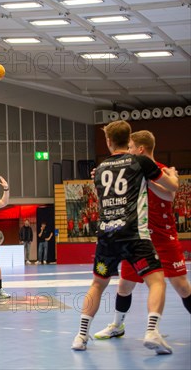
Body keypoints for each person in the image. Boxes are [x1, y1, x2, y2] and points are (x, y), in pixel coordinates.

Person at [71, 120, 179, 354]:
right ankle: (151, 331)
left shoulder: (99, 169)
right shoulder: (139, 161)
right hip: (134, 235)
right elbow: (170, 187)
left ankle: (80, 336)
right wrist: (172, 175)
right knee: (157, 281)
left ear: (108, 142)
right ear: (128, 139)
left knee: (98, 284)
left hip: (106, 237)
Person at [94, 130, 191, 340]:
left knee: (182, 287)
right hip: (139, 237)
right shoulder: (129, 171)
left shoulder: (160, 170)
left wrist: (148, 179)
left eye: (129, 147)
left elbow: (170, 195)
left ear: (140, 149)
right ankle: (117, 326)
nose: (127, 151)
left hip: (165, 238)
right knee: (124, 285)